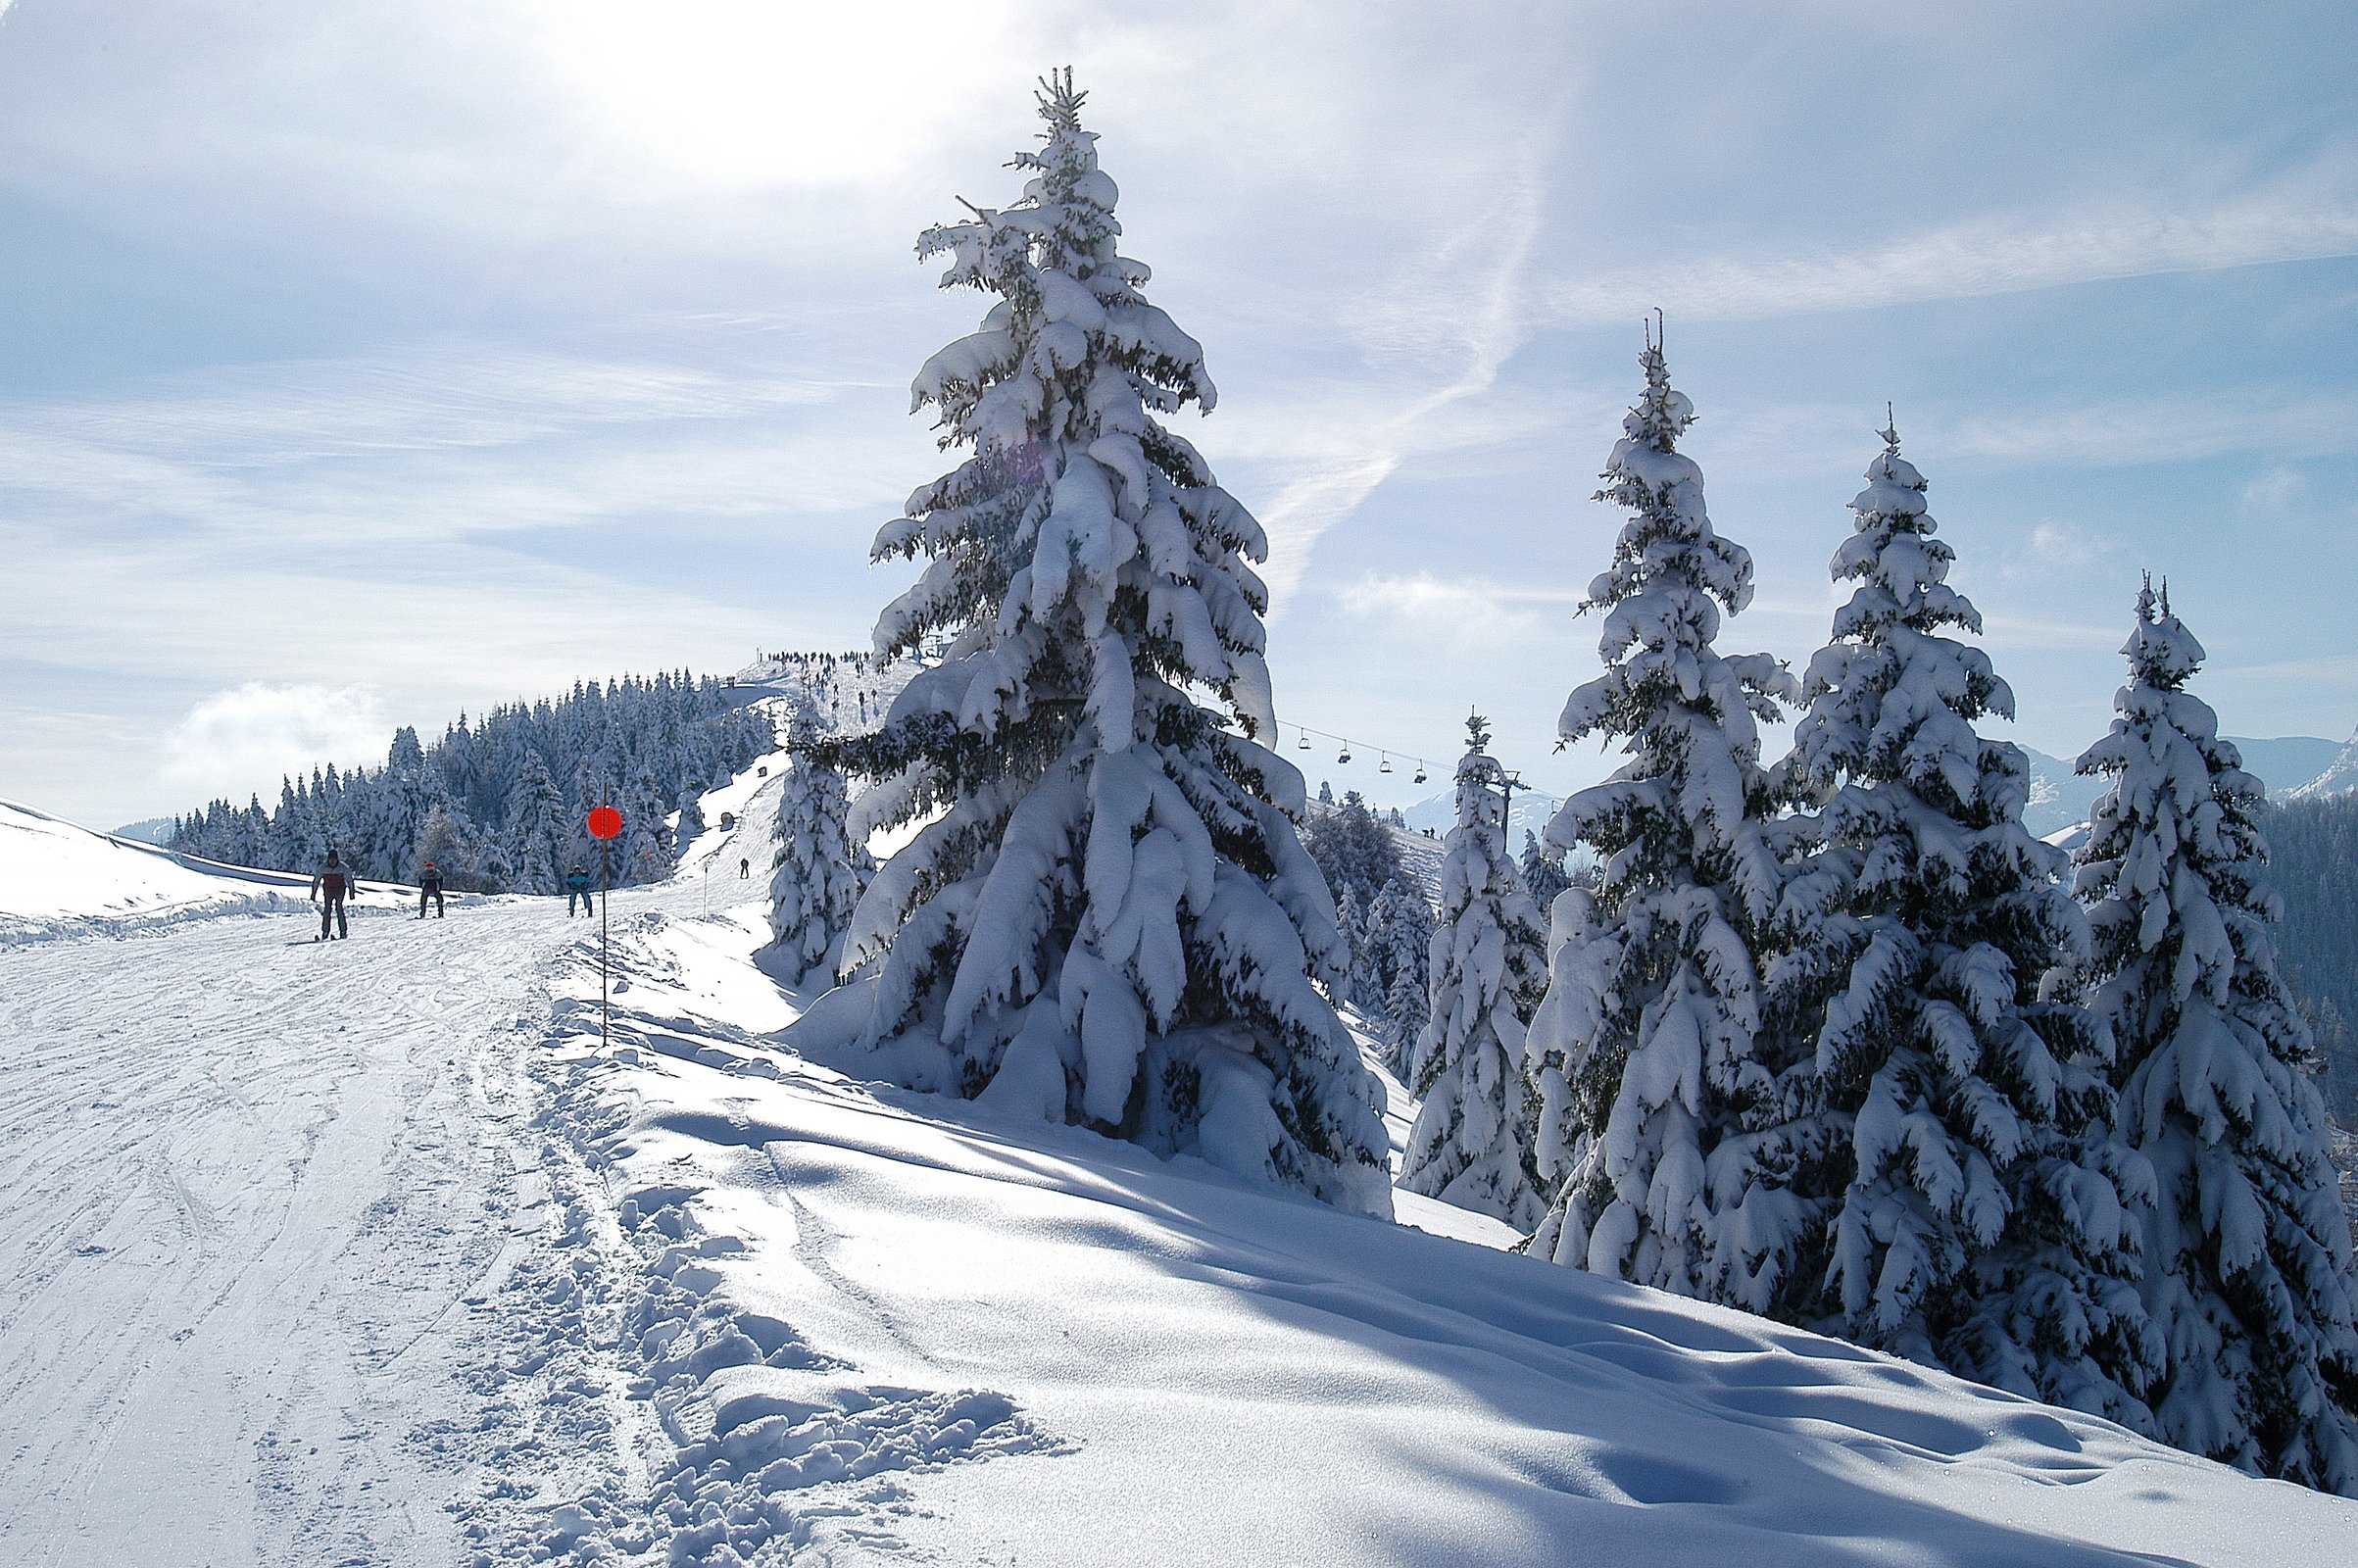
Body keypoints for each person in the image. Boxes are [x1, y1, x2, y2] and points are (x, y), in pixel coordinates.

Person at [310, 850, 359, 940]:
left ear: (337, 860)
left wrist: (352, 892)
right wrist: (313, 893)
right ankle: (325, 932)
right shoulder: (323, 868)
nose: (332, 861)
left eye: (334, 859)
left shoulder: (343, 868)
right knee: (327, 910)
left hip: (340, 891)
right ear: (328, 859)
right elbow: (316, 880)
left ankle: (343, 932)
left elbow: (349, 880)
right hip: (328, 891)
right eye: (331, 860)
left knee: (339, 908)